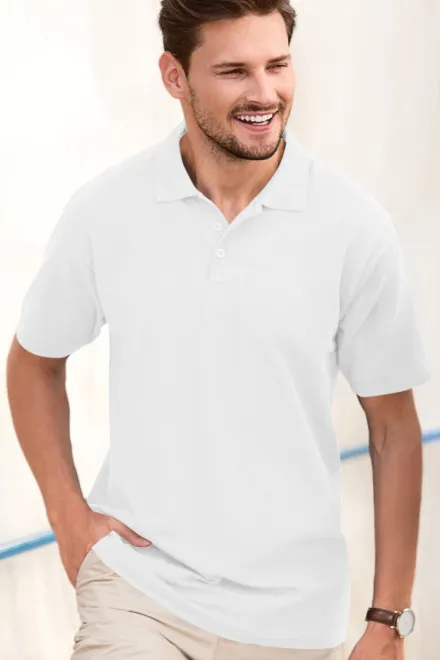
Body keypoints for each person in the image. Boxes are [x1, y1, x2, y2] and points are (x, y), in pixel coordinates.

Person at [6, 1, 431, 659]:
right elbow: (34, 361)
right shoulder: (106, 211)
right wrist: (68, 516)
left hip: (290, 620)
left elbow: (393, 429)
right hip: (137, 591)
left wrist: (389, 617)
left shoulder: (353, 227)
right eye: (235, 71)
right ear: (174, 76)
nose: (264, 93)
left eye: (277, 65)